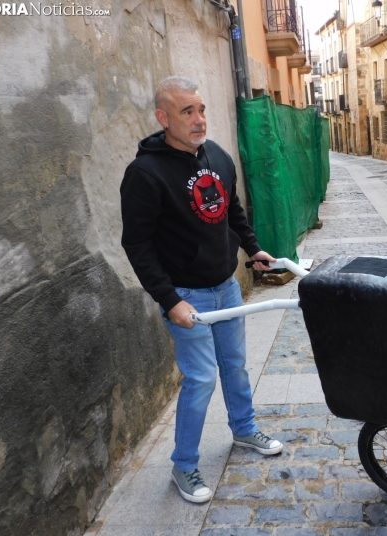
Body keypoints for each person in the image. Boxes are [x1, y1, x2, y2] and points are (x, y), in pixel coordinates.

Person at [120, 76, 283, 504]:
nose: (199, 119)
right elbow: (135, 244)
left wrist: (253, 248)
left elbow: (232, 210)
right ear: (163, 118)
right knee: (200, 378)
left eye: (202, 109)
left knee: (235, 366)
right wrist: (169, 300)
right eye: (187, 112)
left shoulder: (219, 158)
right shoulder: (145, 173)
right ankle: (184, 464)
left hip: (225, 286)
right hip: (186, 294)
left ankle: (244, 431)